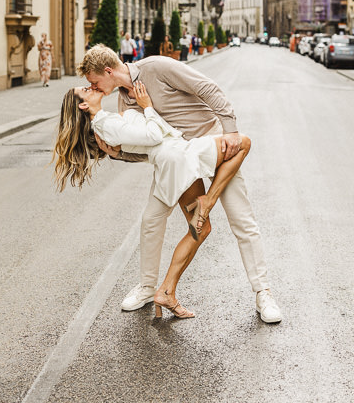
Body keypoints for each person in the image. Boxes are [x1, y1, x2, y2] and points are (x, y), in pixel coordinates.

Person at [77, 44, 282, 323]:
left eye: (95, 82)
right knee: (152, 220)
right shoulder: (124, 102)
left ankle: (263, 293)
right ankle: (149, 288)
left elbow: (208, 88)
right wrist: (118, 154)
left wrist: (230, 130)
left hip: (213, 141)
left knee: (242, 219)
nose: (95, 88)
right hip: (180, 160)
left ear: (109, 71)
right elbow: (149, 146)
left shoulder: (157, 67)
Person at [54, 82, 252, 318]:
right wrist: (147, 106)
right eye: (85, 90)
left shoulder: (106, 120)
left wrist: (121, 145)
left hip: (170, 161)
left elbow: (140, 142)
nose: (90, 86)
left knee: (170, 225)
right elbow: (154, 136)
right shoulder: (104, 124)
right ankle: (166, 289)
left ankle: (157, 289)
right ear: (84, 105)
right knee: (243, 143)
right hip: (179, 158)